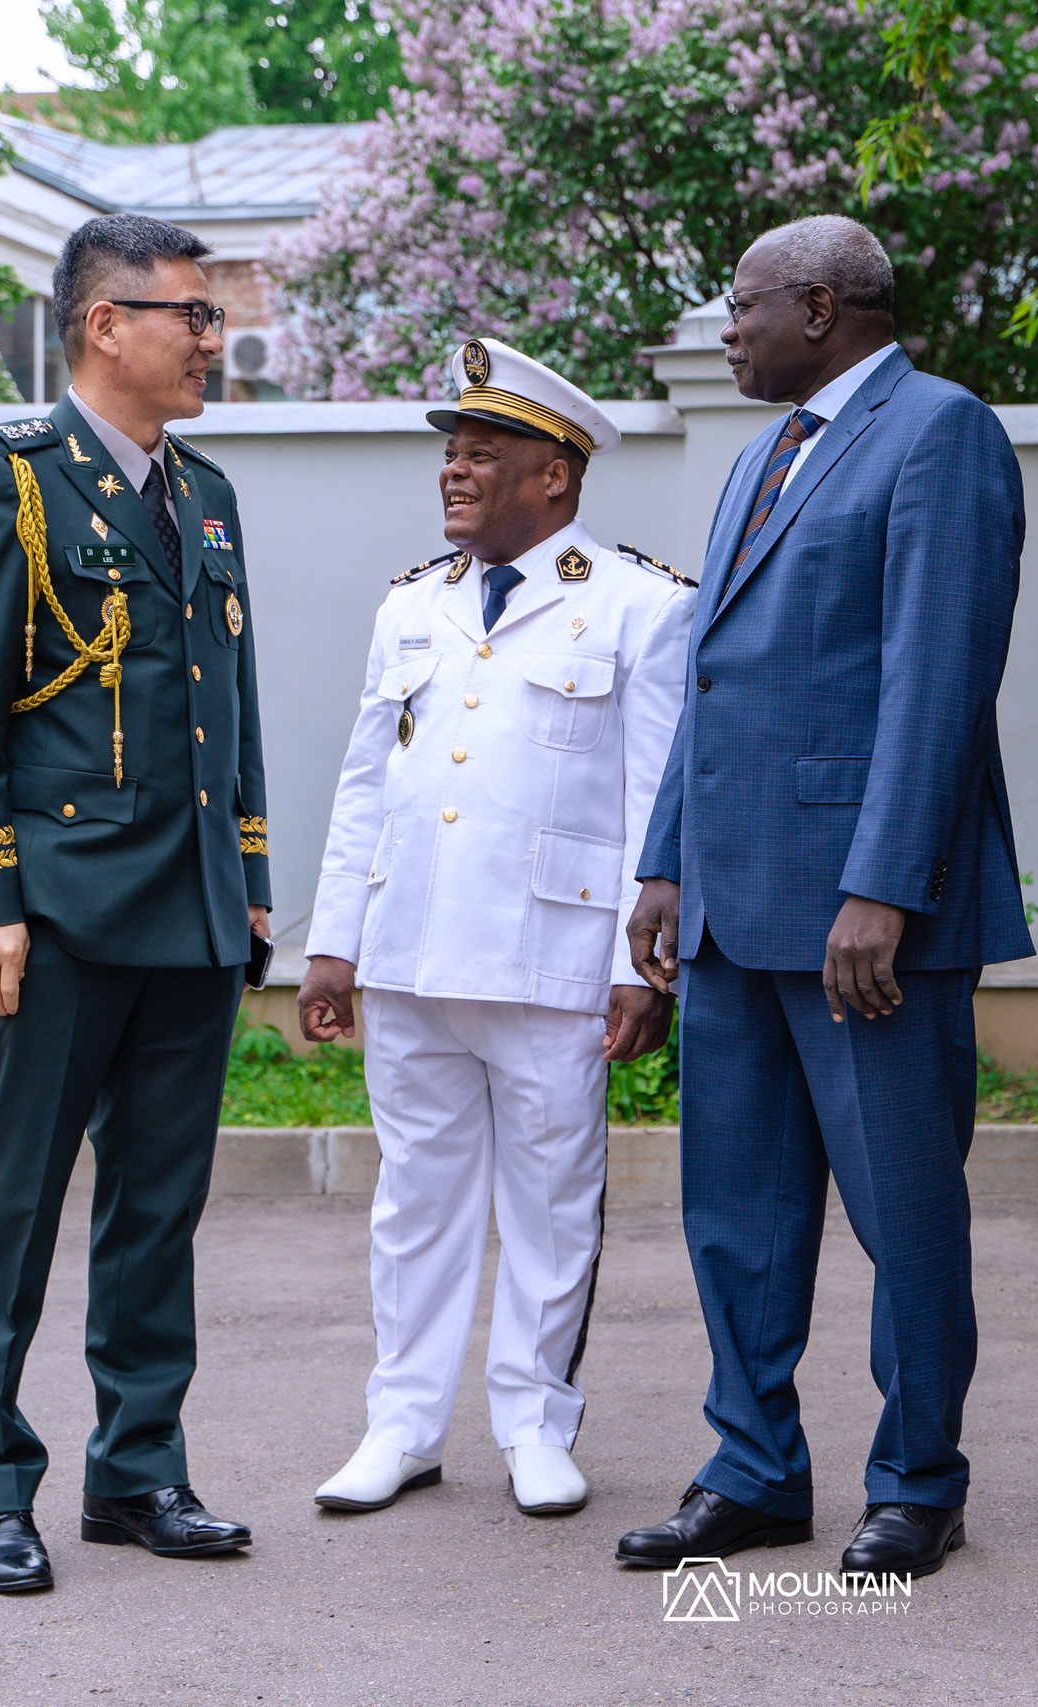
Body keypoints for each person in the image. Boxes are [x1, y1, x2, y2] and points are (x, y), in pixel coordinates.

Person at [617, 215, 1033, 1580]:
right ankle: (754, 1467)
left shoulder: (941, 431)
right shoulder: (761, 454)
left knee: (901, 1208)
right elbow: (714, 678)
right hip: (735, 906)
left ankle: (919, 1477)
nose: (723, 328)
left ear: (816, 304)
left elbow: (937, 676)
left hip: (868, 924)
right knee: (736, 1209)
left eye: (738, 305)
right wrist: (666, 858)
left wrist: (885, 885)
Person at [0, 213, 270, 1596]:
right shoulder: (5, 477)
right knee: (9, 1206)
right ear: (100, 322)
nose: (208, 336)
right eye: (187, 311)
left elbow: (227, 713)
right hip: (54, 915)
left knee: (156, 1210)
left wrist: (243, 885)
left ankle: (139, 1468)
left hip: (183, 913)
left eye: (210, 313)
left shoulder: (209, 492)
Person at [298, 337, 692, 1521]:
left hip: (556, 959)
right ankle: (402, 1426)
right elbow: (367, 779)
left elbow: (654, 797)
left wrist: (642, 961)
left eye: (483, 455)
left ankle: (532, 1421)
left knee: (551, 1203)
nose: (454, 473)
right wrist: (332, 942)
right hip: (413, 950)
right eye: (452, 455)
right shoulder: (409, 603)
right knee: (413, 1200)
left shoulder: (641, 607)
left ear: (554, 478)